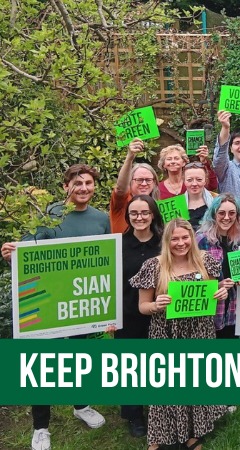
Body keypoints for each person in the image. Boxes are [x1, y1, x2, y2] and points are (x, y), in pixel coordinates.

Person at [1, 164, 111, 450]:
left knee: (79, 358)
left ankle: (81, 404)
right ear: (65, 187)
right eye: (77, 183)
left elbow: (108, 259)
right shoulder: (50, 216)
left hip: (81, 303)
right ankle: (41, 426)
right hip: (49, 303)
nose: (83, 188)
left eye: (88, 183)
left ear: (94, 186)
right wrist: (11, 255)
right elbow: (27, 251)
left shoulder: (101, 219)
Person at [130, 218, 229, 450]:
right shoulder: (154, 266)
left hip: (200, 332)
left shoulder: (206, 262)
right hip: (166, 333)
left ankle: (194, 433)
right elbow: (142, 306)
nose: (180, 243)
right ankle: (158, 437)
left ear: (192, 239)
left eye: (185, 237)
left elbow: (214, 293)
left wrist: (221, 294)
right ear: (167, 241)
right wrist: (155, 305)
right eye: (175, 238)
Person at [117, 195, 164, 437]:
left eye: (145, 212)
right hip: (127, 315)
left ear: (153, 214)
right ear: (128, 217)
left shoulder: (165, 243)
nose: (139, 217)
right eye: (134, 213)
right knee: (130, 367)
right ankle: (134, 415)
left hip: (162, 317)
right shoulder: (118, 245)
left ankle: (160, 411)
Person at [196, 194, 240, 339]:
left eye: (232, 213)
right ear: (213, 214)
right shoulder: (201, 240)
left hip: (231, 313)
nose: (226, 217)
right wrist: (216, 285)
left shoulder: (238, 240)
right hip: (209, 314)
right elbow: (193, 277)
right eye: (221, 213)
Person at [109, 138, 160, 233]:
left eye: (148, 180)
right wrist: (129, 158)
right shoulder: (122, 202)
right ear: (130, 182)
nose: (144, 184)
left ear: (155, 183)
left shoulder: (157, 206)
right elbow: (120, 188)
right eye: (139, 180)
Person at [184, 162, 217, 230]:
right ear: (184, 181)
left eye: (199, 179)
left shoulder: (216, 200)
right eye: (189, 180)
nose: (194, 183)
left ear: (205, 180)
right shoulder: (178, 203)